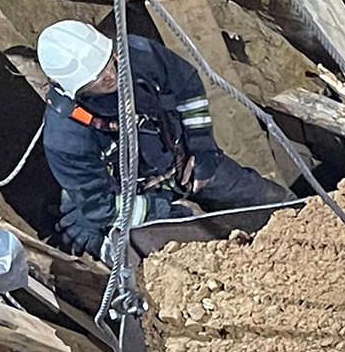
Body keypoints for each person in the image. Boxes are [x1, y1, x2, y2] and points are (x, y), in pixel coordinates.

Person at [36, 20, 295, 261]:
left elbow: (188, 90)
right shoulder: (66, 138)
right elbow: (99, 207)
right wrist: (165, 213)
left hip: (184, 162)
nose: (109, 76)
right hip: (134, 199)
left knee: (273, 203)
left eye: (107, 62)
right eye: (95, 78)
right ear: (71, 90)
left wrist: (202, 150)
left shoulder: (138, 54)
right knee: (180, 255)